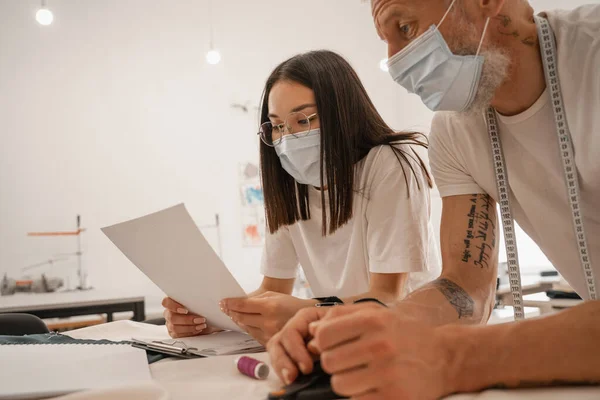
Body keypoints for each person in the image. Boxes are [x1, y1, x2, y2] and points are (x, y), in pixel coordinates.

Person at [267, 1, 600, 398]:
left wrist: (454, 358)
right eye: (385, 41)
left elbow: (459, 341)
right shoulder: (455, 133)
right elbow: (466, 287)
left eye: (405, 28)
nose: (394, 63)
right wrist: (362, 323)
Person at [162, 50, 441, 345]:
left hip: (408, 340)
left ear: (342, 111)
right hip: (341, 340)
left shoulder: (389, 164)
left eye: (304, 120)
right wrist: (207, 317)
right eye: (279, 126)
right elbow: (273, 289)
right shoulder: (292, 184)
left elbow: (388, 295)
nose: (288, 139)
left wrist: (307, 312)